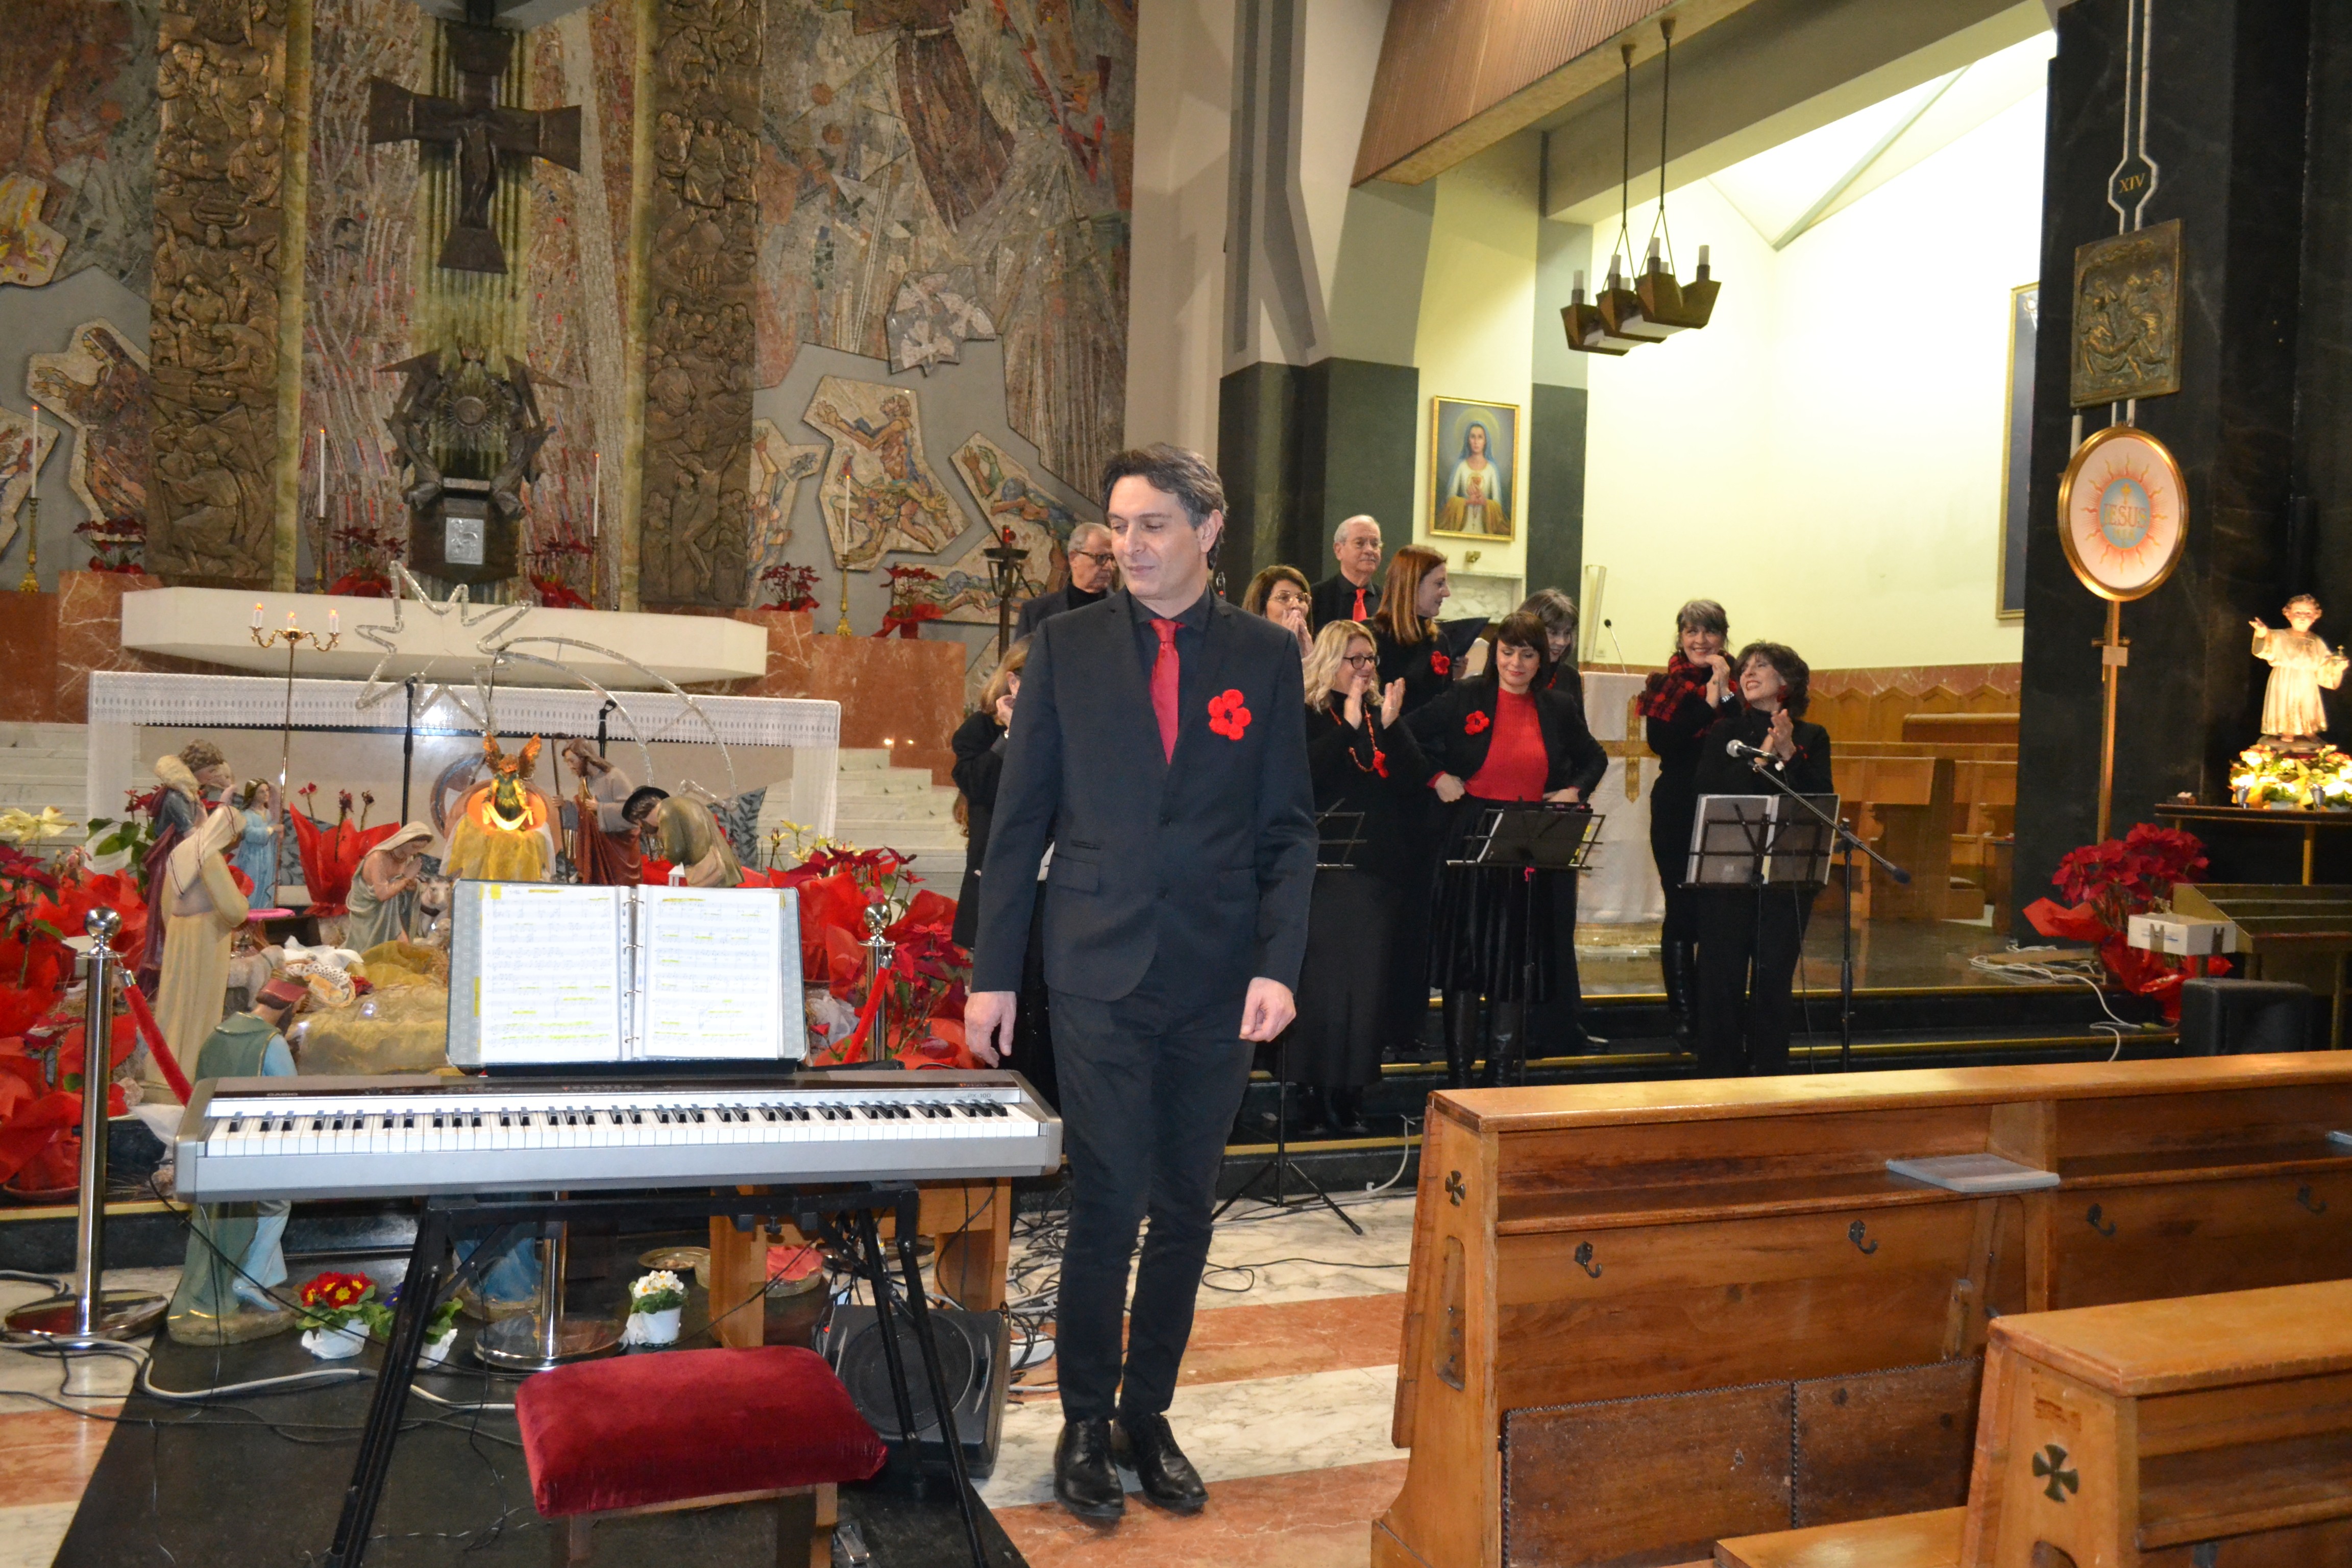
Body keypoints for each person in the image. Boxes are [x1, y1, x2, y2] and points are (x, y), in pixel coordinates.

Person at [965, 444, 1314, 1525]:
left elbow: (1289, 830)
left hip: (1218, 975)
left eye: (1152, 523)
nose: (1130, 544)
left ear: (1208, 530)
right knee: (1108, 1198)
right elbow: (1018, 823)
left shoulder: (1263, 655)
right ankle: (1082, 1419)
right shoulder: (1064, 648)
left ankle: (1144, 1414)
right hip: (1097, 965)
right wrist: (992, 976)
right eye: (1119, 525)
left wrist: (1278, 963)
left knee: (1185, 1209)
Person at [1410, 610, 1606, 1086]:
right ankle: (1460, 1078)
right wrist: (1436, 777)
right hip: (1471, 832)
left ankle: (1500, 1078)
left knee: (1515, 959)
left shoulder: (1557, 706)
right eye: (1507, 652)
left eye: (1527, 654)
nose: (1516, 663)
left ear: (1542, 661)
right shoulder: (1465, 696)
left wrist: (1573, 791)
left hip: (1526, 838)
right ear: (1494, 654)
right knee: (1465, 961)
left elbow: (1594, 758)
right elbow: (1403, 732)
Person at [1290, 621, 1427, 1134]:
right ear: (1330, 661)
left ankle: (1350, 1093)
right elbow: (1303, 777)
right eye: (1356, 660)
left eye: (1371, 660)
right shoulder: (1307, 714)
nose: (1366, 669)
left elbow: (1415, 784)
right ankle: (1315, 1094)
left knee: (1365, 993)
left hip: (1376, 874)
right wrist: (1346, 729)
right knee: (1325, 991)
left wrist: (1392, 726)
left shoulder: (1377, 716)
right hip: (1326, 875)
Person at [1689, 642, 1833, 1078]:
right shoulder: (1725, 733)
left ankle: (1770, 1075)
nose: (1748, 673)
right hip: (1728, 871)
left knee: (1773, 980)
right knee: (1721, 979)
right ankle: (1718, 1077)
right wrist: (1767, 750)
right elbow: (1711, 791)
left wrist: (1788, 752)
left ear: (1787, 682)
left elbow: (1817, 800)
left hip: (1785, 875)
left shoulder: (1812, 736)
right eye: (1745, 667)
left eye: (1762, 666)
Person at [164, 971, 315, 1344]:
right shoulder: (270, 1043)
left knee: (217, 1219)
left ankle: (248, 1280)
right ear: (289, 1007)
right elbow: (292, 1097)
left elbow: (201, 1087)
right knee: (275, 1205)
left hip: (213, 1140)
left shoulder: (218, 1034)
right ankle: (249, 1279)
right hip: (253, 1144)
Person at [949, 640, 1059, 1112]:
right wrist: (1016, 733)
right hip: (1000, 895)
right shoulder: (980, 732)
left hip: (1056, 896)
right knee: (1005, 1020)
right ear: (1014, 680)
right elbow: (983, 785)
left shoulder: (1071, 727)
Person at [1637, 600, 1737, 1044]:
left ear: (1723, 637)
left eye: (1710, 631)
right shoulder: (1664, 685)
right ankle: (1683, 1016)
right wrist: (1708, 702)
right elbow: (1665, 743)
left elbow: (1744, 733)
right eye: (1691, 631)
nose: (1701, 640)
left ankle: (1717, 1011)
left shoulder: (1741, 681)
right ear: (1680, 637)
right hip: (1678, 805)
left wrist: (1724, 693)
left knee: (1721, 912)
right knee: (1680, 909)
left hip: (1726, 806)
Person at [152, 801, 252, 1101]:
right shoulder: (209, 857)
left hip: (179, 933)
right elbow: (234, 910)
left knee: (174, 1002)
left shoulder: (182, 851)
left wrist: (177, 930)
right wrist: (243, 905)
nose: (236, 842)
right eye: (237, 836)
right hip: (205, 936)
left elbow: (166, 904)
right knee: (200, 1003)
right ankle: (193, 1068)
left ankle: (162, 1071)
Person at [1371, 544, 1457, 716]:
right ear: (1412, 585)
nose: (1447, 593)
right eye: (1439, 584)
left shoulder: (1438, 640)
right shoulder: (1371, 638)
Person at [2250, 594, 2348, 741]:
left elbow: (2324, 664)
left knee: (2308, 703)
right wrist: (2262, 633)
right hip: (2285, 677)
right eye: (2298, 612)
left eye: (2308, 613)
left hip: (2307, 679)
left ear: (2315, 617)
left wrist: (2337, 667)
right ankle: (2287, 731)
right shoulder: (2279, 636)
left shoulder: (2316, 641)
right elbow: (2266, 645)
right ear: (2288, 614)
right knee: (2286, 703)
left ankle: (2308, 729)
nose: (2303, 617)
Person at [1015, 520, 1117, 640]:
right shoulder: (1035, 612)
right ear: (1074, 558)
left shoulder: (1127, 612)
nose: (1109, 567)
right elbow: (1022, 652)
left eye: (1113, 559)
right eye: (1101, 557)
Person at [559, 739, 642, 886]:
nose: (570, 767)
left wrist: (601, 809)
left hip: (619, 853)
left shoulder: (614, 776)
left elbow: (633, 812)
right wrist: (565, 806)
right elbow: (583, 817)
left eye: (572, 761)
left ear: (584, 757)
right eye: (568, 763)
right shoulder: (585, 783)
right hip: (596, 852)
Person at [627, 788, 745, 886]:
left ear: (642, 815)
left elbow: (676, 851)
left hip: (709, 873)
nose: (642, 827)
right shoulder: (690, 803)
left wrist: (668, 851)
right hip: (727, 868)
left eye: (640, 823)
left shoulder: (666, 812)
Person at [345, 823, 432, 951]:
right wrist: (406, 878)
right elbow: (382, 894)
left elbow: (403, 889)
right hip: (370, 915)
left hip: (392, 915)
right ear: (404, 840)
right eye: (414, 847)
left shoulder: (407, 859)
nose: (416, 852)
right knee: (374, 953)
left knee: (403, 948)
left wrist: (412, 885)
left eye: (420, 849)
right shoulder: (378, 858)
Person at [1310, 514, 1384, 629]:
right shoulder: (1315, 598)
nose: (1369, 550)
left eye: (1375, 544)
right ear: (1339, 550)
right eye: (1360, 543)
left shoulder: (1387, 602)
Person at [1438, 422, 1509, 534]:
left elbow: (1497, 503)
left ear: (1485, 441)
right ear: (1468, 440)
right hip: (1462, 523)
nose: (1476, 441)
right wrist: (1467, 502)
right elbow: (1450, 498)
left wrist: (1484, 502)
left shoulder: (1491, 469)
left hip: (1485, 525)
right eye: (1473, 437)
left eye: (1480, 437)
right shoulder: (1461, 467)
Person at [1240, 564, 1313, 657]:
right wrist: (1285, 644)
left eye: (1301, 598)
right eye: (1284, 598)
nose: (1296, 605)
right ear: (1262, 608)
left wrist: (1312, 659)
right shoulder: (1243, 653)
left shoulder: (1321, 650)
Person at [228, 780, 278, 911]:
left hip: (267, 855)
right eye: (262, 792)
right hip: (252, 856)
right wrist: (272, 829)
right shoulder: (246, 815)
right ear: (253, 794)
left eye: (267, 791)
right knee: (252, 885)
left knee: (266, 884)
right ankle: (250, 911)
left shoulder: (269, 814)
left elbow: (274, 835)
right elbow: (251, 834)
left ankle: (264, 910)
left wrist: (278, 832)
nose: (266, 794)